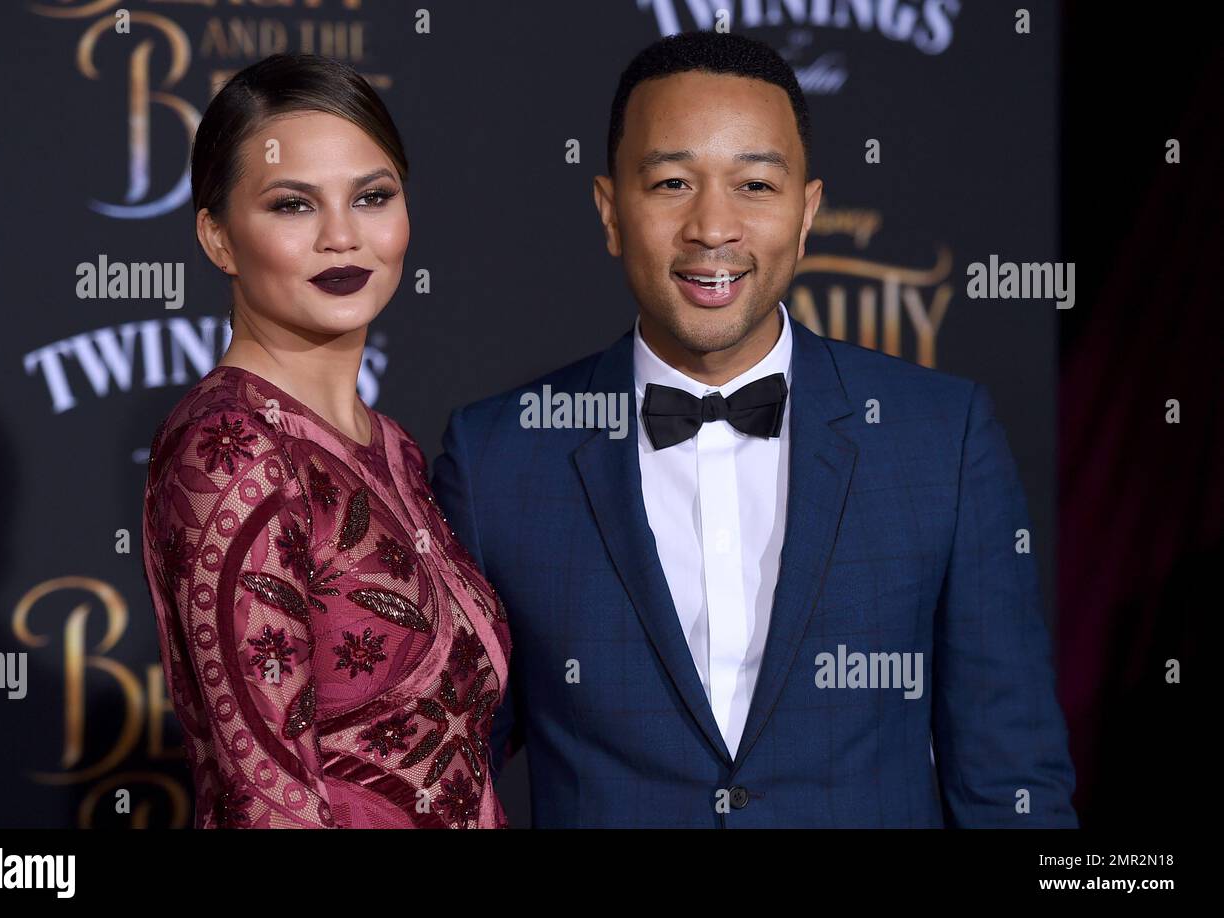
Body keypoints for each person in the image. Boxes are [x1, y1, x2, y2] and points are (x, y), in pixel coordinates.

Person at [431, 31, 1077, 827]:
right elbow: (446, 781)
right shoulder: (498, 457)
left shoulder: (943, 439)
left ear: (807, 213)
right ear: (609, 211)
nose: (713, 227)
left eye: (756, 186)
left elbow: (1011, 786)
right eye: (672, 182)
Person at [141, 53, 510, 829]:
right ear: (217, 238)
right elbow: (265, 797)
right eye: (292, 205)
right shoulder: (231, 446)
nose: (343, 236)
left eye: (372, 196)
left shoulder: (396, 447)